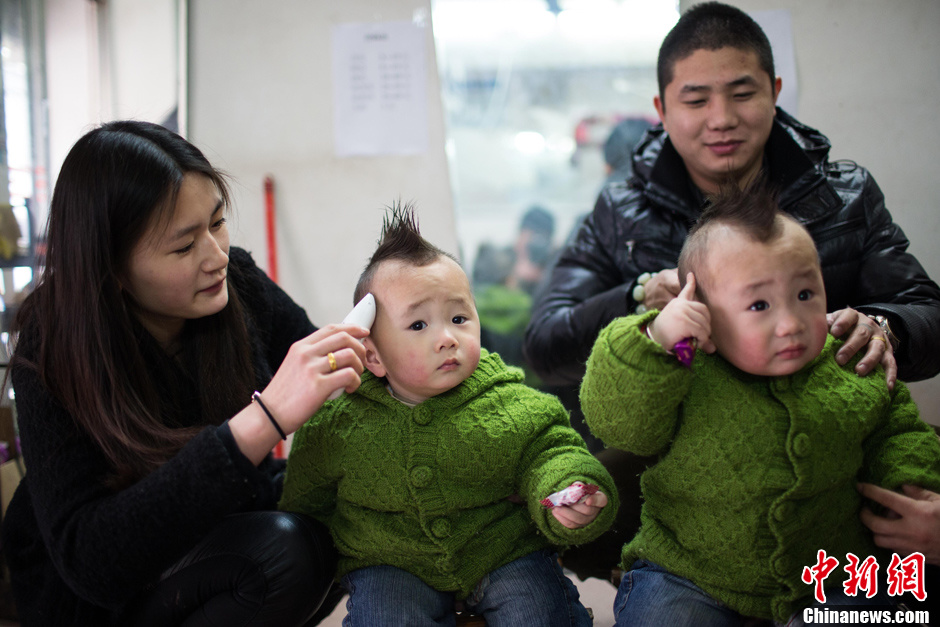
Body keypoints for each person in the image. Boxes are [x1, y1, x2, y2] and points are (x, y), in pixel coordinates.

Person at [524, 0, 940, 580]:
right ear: (662, 109)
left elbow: (928, 311)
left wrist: (885, 327)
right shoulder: (622, 209)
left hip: (826, 443)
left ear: (773, 89)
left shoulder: (843, 195)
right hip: (688, 452)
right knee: (588, 492)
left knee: (913, 515)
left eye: (742, 93)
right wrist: (637, 301)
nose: (721, 118)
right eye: (696, 100)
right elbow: (543, 345)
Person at [0, 120, 369, 626]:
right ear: (111, 269)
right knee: (281, 553)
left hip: (214, 538)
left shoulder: (235, 281)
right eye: (182, 246)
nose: (216, 256)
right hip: (97, 600)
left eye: (217, 222)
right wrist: (266, 418)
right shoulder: (54, 342)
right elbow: (91, 562)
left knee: (351, 513)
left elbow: (332, 367)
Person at [579, 184, 940, 625]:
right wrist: (654, 341)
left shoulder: (849, 361)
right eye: (759, 304)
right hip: (690, 571)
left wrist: (909, 483)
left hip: (833, 571)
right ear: (701, 311)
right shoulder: (684, 367)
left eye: (806, 294)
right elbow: (619, 424)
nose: (789, 323)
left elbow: (896, 432)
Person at [279, 204, 617, 626]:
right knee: (385, 618)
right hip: (392, 563)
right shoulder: (337, 424)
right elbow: (306, 501)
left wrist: (567, 487)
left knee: (540, 612)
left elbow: (551, 451)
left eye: (459, 318)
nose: (446, 339)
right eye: (418, 325)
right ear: (373, 356)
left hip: (503, 550)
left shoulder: (508, 402)